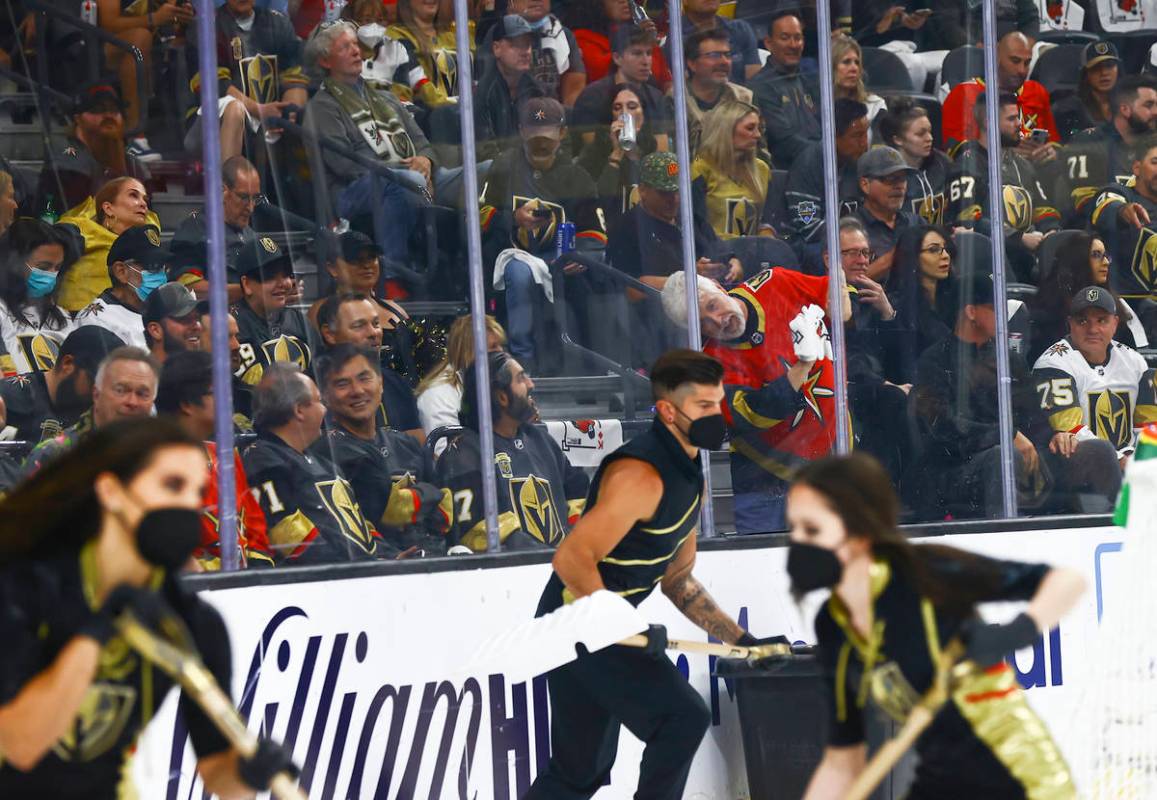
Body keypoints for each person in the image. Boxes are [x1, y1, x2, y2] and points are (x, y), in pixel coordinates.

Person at [524, 349, 779, 800]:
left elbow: (678, 580)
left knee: (578, 772)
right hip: (578, 622)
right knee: (681, 718)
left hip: (596, 626)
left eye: (717, 403)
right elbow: (571, 559)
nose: (715, 415)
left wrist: (741, 641)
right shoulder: (640, 475)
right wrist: (618, 623)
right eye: (703, 406)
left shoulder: (690, 478)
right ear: (667, 410)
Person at [0, 417, 298, 798]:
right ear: (112, 492)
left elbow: (222, 781)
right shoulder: (27, 586)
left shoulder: (191, 620)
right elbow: (22, 745)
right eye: (172, 485)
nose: (191, 504)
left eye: (197, 491)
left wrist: (249, 773)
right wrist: (97, 630)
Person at [788, 452, 1082, 799]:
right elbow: (842, 761)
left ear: (860, 531)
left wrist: (1011, 635)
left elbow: (1065, 580)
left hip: (1016, 776)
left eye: (812, 529)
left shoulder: (924, 574)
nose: (796, 542)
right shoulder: (833, 623)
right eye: (793, 527)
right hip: (940, 778)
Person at [910, 268, 1120, 519]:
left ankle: (1113, 536)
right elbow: (943, 427)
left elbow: (1034, 417)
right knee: (1003, 458)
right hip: (956, 469)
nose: (1004, 314)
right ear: (971, 312)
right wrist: (1005, 435)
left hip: (1018, 460)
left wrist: (1057, 437)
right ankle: (1003, 539)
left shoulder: (1009, 359)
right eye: (996, 307)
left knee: (1099, 451)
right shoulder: (934, 360)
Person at [661, 267, 851, 533]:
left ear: (718, 285)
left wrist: (840, 303)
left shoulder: (776, 283)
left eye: (713, 305)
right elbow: (756, 414)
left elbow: (835, 294)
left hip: (833, 460)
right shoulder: (708, 366)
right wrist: (803, 364)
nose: (718, 320)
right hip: (763, 477)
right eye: (703, 322)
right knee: (762, 565)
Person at [479, 96, 606, 371]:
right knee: (519, 273)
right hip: (514, 254)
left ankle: (584, 366)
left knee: (589, 284)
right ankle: (522, 360)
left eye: (547, 133)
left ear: (561, 134)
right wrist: (512, 218)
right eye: (534, 133)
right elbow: (477, 216)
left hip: (560, 259)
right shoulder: (503, 168)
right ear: (522, 132)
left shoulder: (577, 177)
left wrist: (581, 255)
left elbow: (596, 234)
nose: (540, 140)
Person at [302, 20, 443, 265]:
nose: (357, 50)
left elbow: (422, 142)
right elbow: (346, 165)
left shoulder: (386, 97)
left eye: (356, 44)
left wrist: (425, 161)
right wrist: (404, 170)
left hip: (410, 173)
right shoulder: (321, 107)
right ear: (325, 61)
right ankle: (392, 272)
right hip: (352, 192)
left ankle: (476, 274)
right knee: (405, 182)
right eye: (345, 47)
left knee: (476, 174)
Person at [436, 351, 589, 551]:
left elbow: (578, 489)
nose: (531, 384)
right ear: (502, 397)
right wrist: (545, 557)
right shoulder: (464, 452)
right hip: (508, 576)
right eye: (521, 379)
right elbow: (480, 531)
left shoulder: (540, 439)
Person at [242, 362, 390, 564]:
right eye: (319, 401)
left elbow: (360, 529)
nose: (324, 409)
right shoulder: (263, 460)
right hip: (320, 586)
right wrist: (361, 569)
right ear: (299, 410)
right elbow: (291, 539)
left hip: (363, 576)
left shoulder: (326, 464)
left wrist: (391, 558)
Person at [314, 344, 452, 555]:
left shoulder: (408, 444)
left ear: (381, 384)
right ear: (325, 396)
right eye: (342, 384)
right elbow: (367, 522)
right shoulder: (326, 453)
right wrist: (426, 496)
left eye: (364, 378)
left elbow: (447, 505)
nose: (357, 391)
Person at [155, 350, 274, 569]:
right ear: (187, 404)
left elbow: (255, 527)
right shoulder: (156, 466)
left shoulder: (224, 455)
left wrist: (258, 574)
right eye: (217, 391)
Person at [1033, 287, 1155, 468]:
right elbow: (1071, 429)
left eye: (1101, 320)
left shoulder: (1135, 362)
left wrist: (1139, 459)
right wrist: (1120, 461)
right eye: (1082, 321)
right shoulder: (1052, 364)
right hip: (1084, 468)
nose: (1093, 329)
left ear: (1115, 323)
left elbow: (1149, 425)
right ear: (1070, 324)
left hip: (1132, 464)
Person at [947, 93, 1061, 282]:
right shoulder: (967, 165)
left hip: (1029, 257)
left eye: (1019, 117)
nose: (1019, 124)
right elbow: (967, 222)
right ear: (988, 121)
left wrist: (1052, 232)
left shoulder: (1023, 165)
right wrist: (1018, 238)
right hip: (992, 265)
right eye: (1012, 118)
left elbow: (1044, 209)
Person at [169, 158, 312, 303]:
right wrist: (254, 292)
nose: (251, 208)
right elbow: (188, 289)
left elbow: (268, 286)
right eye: (243, 197)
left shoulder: (252, 236)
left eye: (255, 198)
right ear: (222, 191)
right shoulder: (194, 232)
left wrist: (283, 289)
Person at [183, 0, 309, 161]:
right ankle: (230, 184)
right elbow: (215, 87)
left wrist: (288, 113)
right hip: (208, 124)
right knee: (235, 109)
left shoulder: (279, 23)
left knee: (306, 115)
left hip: (267, 120)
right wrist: (259, 110)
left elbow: (295, 77)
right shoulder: (205, 27)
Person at [22, 347, 160, 477]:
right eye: (120, 390)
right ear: (96, 394)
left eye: (142, 393)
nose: (132, 402)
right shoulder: (55, 456)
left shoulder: (163, 455)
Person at [315, 292, 424, 441]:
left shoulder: (395, 382)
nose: (373, 333)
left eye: (376, 324)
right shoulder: (310, 391)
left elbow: (417, 448)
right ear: (329, 334)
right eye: (359, 326)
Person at [1028, 231, 1146, 362]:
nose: (1106, 262)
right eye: (1096, 255)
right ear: (1077, 260)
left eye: (1106, 256)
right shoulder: (1047, 312)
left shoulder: (1118, 305)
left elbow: (1133, 357)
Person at [95, 0, 193, 153]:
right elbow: (107, 23)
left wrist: (181, 17)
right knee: (141, 37)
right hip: (103, 46)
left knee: (191, 41)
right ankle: (134, 135)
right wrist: (153, 19)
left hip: (156, 46)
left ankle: (192, 136)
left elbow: (172, 24)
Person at [35, 81, 146, 216]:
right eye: (98, 110)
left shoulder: (134, 165)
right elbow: (63, 216)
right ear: (78, 118)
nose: (108, 115)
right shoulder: (67, 161)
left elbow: (146, 218)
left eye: (114, 110)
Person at [0, 325, 125, 444]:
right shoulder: (8, 399)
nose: (98, 394)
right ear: (68, 364)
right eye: (94, 382)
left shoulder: (99, 416)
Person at [941, 31, 1059, 156]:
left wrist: (1049, 153)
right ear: (995, 57)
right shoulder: (963, 95)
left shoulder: (1037, 92)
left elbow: (1054, 143)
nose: (1021, 70)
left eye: (1027, 63)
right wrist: (1008, 153)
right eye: (1015, 61)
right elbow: (959, 154)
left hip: (1034, 171)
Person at [58, 176, 160, 313]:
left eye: (145, 199)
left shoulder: (148, 242)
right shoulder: (80, 232)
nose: (143, 204)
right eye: (133, 195)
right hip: (78, 321)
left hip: (133, 320)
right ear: (108, 208)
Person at [230, 235, 320, 386]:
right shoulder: (232, 327)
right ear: (247, 284)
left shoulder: (299, 320)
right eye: (270, 276)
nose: (283, 283)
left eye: (286, 274)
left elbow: (321, 373)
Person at [1064, 75, 1157, 221]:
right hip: (1100, 234)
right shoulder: (1088, 143)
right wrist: (1118, 211)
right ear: (1125, 109)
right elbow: (1085, 205)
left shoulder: (1152, 145)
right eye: (1149, 105)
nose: (1156, 112)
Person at [1089, 133, 1157, 325]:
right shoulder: (1120, 192)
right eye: (1155, 162)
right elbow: (1106, 206)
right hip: (1122, 311)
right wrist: (1122, 211)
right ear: (1136, 167)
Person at [784, 99, 869, 247]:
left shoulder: (858, 162)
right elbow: (809, 228)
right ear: (833, 136)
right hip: (810, 247)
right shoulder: (808, 166)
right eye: (857, 136)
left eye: (865, 134)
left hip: (851, 240)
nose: (864, 143)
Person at [0, 218, 78, 376]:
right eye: (43, 267)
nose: (51, 275)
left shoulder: (61, 316)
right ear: (13, 263)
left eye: (57, 268)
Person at [74, 224, 170, 350]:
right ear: (121, 272)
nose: (161, 275)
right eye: (152, 266)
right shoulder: (97, 321)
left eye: (163, 267)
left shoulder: (162, 310)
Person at [882, 225, 954, 386]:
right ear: (912, 256)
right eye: (934, 250)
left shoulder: (957, 296)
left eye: (945, 249)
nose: (945, 256)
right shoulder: (896, 304)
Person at [749, 11, 820, 170]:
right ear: (768, 43)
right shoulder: (761, 86)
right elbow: (783, 141)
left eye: (797, 38)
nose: (793, 45)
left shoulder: (810, 81)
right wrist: (827, 152)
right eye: (785, 38)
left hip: (818, 164)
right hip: (785, 172)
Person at [415, 313, 506, 436]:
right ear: (469, 351)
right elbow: (445, 452)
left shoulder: (496, 384)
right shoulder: (438, 395)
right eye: (494, 346)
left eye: (501, 345)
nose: (501, 352)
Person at [690, 100, 767, 241]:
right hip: (714, 255)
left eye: (759, 129)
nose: (758, 135)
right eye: (750, 128)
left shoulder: (762, 169)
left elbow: (769, 219)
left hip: (755, 255)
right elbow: (694, 226)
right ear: (726, 131)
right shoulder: (700, 169)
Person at [475, 14, 547, 161]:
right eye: (516, 44)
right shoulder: (483, 94)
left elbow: (550, 131)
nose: (525, 51)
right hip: (497, 173)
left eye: (527, 44)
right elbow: (485, 150)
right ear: (496, 49)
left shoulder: (537, 90)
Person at [677, 29, 754, 155]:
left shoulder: (744, 98)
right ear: (692, 64)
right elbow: (672, 162)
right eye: (714, 55)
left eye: (727, 55)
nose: (724, 62)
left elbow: (759, 153)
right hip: (692, 171)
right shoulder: (675, 102)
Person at [877, 97, 952, 226]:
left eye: (929, 131)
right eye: (920, 134)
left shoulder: (942, 163)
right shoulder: (887, 178)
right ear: (898, 140)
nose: (930, 138)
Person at [501, 0, 587, 108]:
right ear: (511, 2)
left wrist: (563, 118)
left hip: (553, 118)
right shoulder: (499, 36)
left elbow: (574, 91)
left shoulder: (564, 36)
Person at [566, 0, 671, 89]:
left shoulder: (638, 31)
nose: (623, 1)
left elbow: (664, 78)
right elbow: (604, 72)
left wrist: (643, 38)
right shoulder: (581, 37)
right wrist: (638, 41)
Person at [386, 0, 473, 106]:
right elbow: (420, 87)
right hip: (425, 118)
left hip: (464, 116)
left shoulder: (452, 37)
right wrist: (459, 107)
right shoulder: (395, 36)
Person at [1054, 41, 1121, 142]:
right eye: (1096, 67)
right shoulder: (1069, 110)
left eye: (1109, 65)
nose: (1104, 73)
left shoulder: (1129, 103)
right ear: (1085, 74)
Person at [680, 0, 760, 84]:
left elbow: (754, 80)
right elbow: (684, 89)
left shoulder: (740, 29)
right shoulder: (677, 40)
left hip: (742, 95)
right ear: (684, 1)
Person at [832, 35, 886, 130]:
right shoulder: (818, 107)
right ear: (831, 67)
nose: (854, 68)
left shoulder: (875, 105)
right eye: (846, 62)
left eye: (857, 62)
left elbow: (879, 144)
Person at [142, 282, 203, 363]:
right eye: (185, 319)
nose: (197, 327)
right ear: (155, 330)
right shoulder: (137, 375)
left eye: (197, 318)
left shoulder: (207, 372)